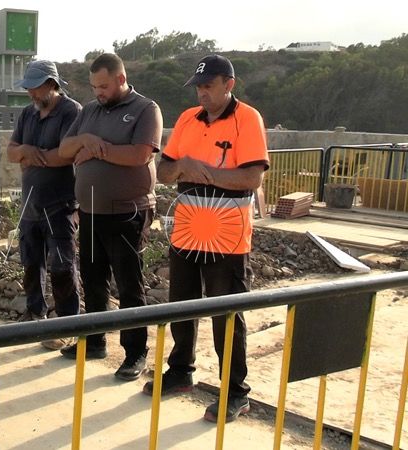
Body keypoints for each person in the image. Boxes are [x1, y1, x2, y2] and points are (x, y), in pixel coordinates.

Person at [141, 54, 269, 423]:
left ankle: (235, 392)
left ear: (229, 84)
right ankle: (181, 370)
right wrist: (183, 167)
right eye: (198, 87)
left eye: (208, 87)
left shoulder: (248, 119)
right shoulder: (186, 119)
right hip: (186, 230)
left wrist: (206, 172)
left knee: (226, 315)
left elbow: (251, 179)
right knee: (181, 305)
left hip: (227, 237)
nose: (202, 94)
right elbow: (164, 172)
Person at [58, 53, 163, 381]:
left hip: (128, 212)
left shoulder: (146, 110)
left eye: (103, 85)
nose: (98, 92)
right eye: (93, 87)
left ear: (121, 79)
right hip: (90, 210)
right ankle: (95, 341)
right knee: (93, 279)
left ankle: (135, 352)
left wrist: (96, 148)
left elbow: (139, 154)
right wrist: (84, 142)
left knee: (129, 284)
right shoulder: (88, 110)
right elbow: (64, 150)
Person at [7, 60, 82, 350]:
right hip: (31, 203)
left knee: (62, 266)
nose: (31, 94)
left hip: (59, 203)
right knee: (30, 262)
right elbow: (12, 152)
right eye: (28, 89)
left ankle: (67, 324)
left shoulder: (71, 111)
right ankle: (35, 312)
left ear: (51, 84)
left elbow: (66, 154)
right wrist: (26, 151)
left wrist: (33, 157)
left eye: (35, 88)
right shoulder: (27, 114)